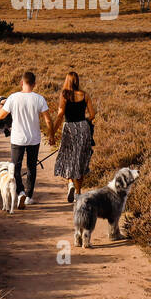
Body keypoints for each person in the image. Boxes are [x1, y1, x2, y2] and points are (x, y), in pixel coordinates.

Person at [0, 70, 51, 207]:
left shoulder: (13, 98)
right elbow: (48, 120)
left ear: (21, 83)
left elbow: (1, 116)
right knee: (32, 167)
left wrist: (1, 105)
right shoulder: (39, 99)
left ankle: (20, 192)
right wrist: (51, 135)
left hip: (18, 138)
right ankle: (29, 196)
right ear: (34, 84)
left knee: (15, 166)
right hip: (34, 138)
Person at [50, 71, 96, 204]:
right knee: (80, 159)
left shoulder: (64, 95)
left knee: (68, 157)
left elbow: (60, 115)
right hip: (83, 128)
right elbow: (92, 114)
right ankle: (78, 192)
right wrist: (85, 121)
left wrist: (53, 132)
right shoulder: (85, 95)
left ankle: (70, 183)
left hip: (69, 129)